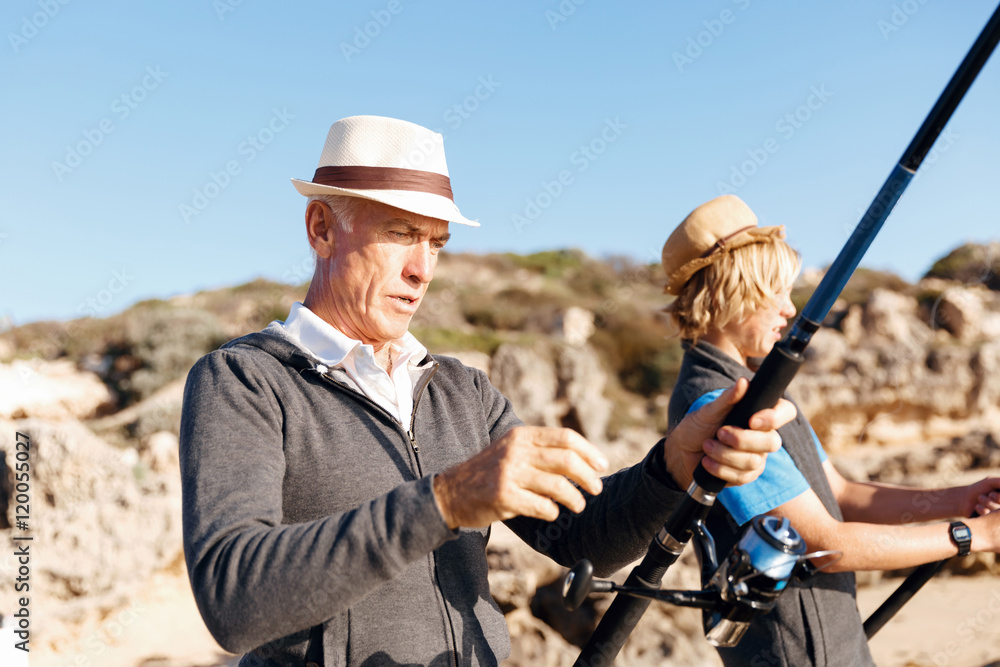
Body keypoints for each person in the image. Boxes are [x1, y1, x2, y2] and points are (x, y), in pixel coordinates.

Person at [179, 116, 797, 666]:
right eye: (401, 233)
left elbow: (583, 535)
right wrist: (446, 501)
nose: (422, 269)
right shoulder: (243, 380)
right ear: (321, 228)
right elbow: (233, 600)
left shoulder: (463, 391)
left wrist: (675, 464)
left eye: (436, 243)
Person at [662, 194, 1000, 667]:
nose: (789, 309)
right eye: (775, 292)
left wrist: (959, 499)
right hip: (799, 653)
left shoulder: (758, 386)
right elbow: (824, 544)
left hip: (834, 642)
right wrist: (974, 535)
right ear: (727, 293)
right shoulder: (715, 404)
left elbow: (840, 494)